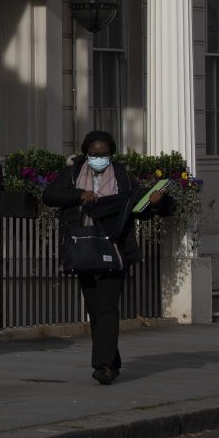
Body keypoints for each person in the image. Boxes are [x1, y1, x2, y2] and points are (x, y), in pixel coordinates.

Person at [42, 130, 173, 385]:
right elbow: (50, 196)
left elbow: (138, 209)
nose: (98, 159)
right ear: (86, 154)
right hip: (84, 249)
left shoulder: (123, 177)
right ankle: (112, 362)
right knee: (95, 309)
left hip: (114, 248)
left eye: (103, 155)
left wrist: (155, 202)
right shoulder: (72, 173)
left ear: (111, 155)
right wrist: (79, 194)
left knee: (108, 307)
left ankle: (102, 365)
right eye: (93, 154)